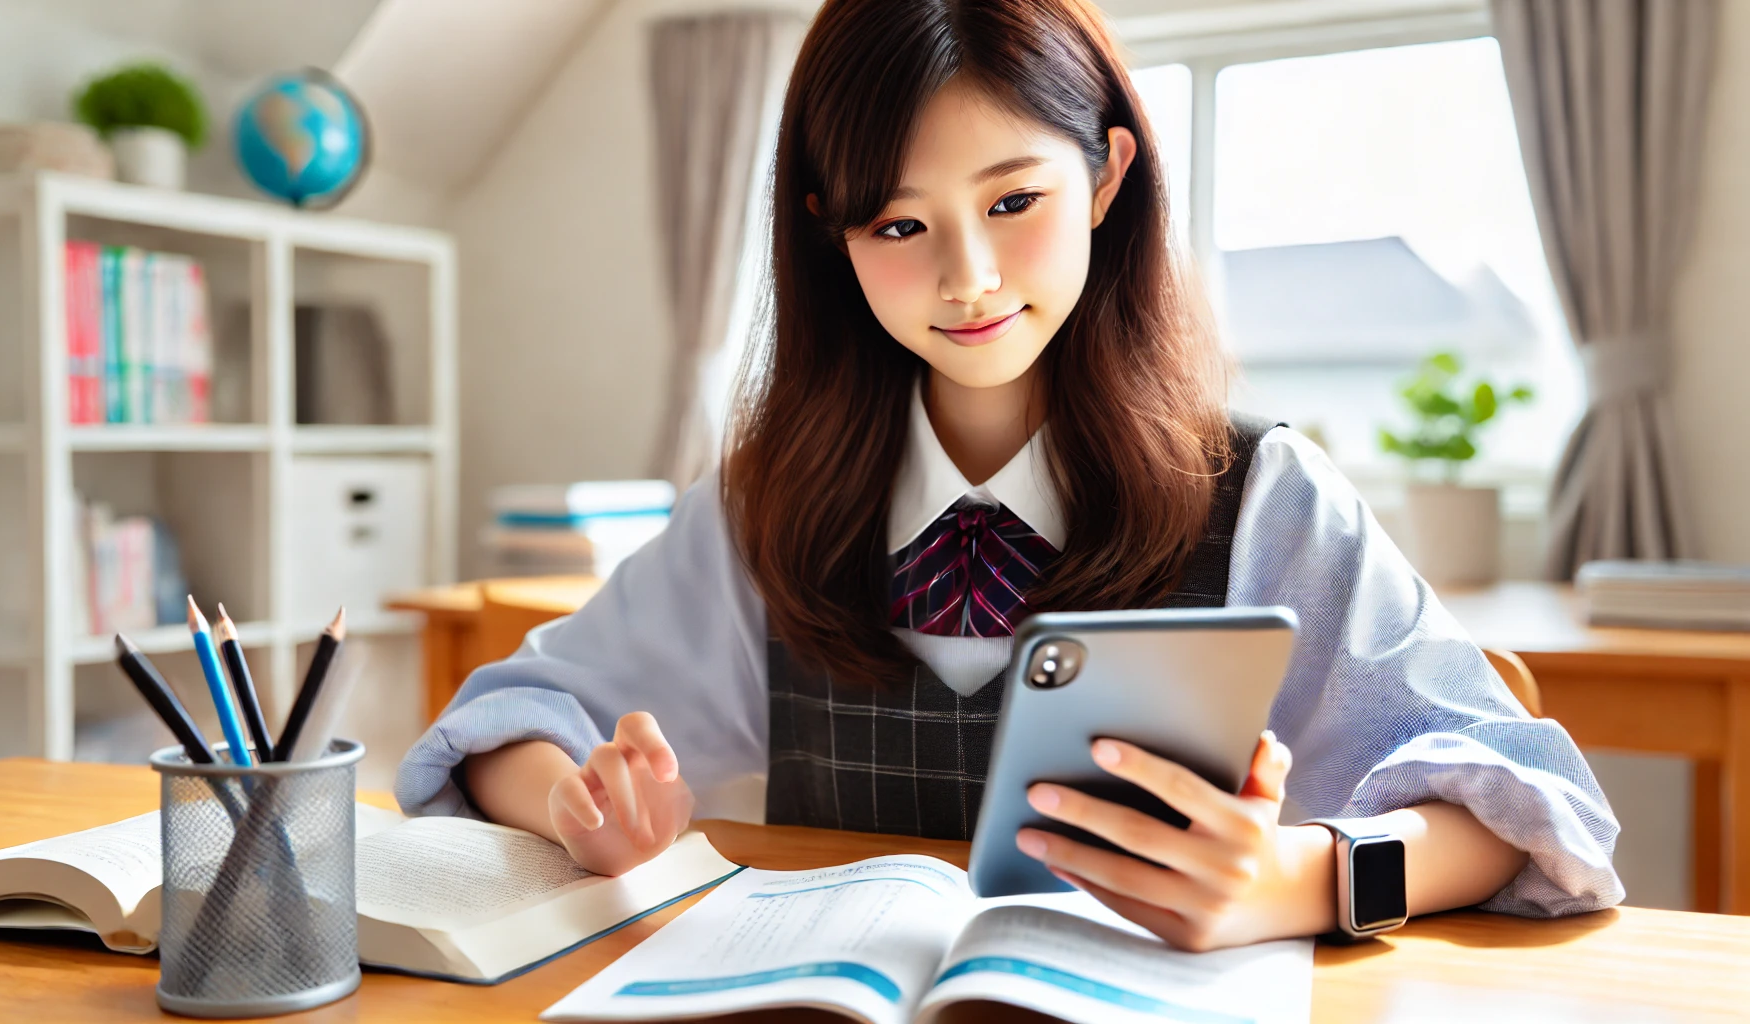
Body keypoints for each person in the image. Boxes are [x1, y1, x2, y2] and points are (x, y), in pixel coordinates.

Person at [397, 0, 1623, 951]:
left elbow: (1524, 803)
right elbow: (504, 719)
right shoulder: (770, 501)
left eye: (1014, 198)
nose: (967, 277)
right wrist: (576, 808)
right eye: (898, 224)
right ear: (832, 231)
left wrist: (1299, 878)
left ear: (1104, 177)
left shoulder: (1260, 490)